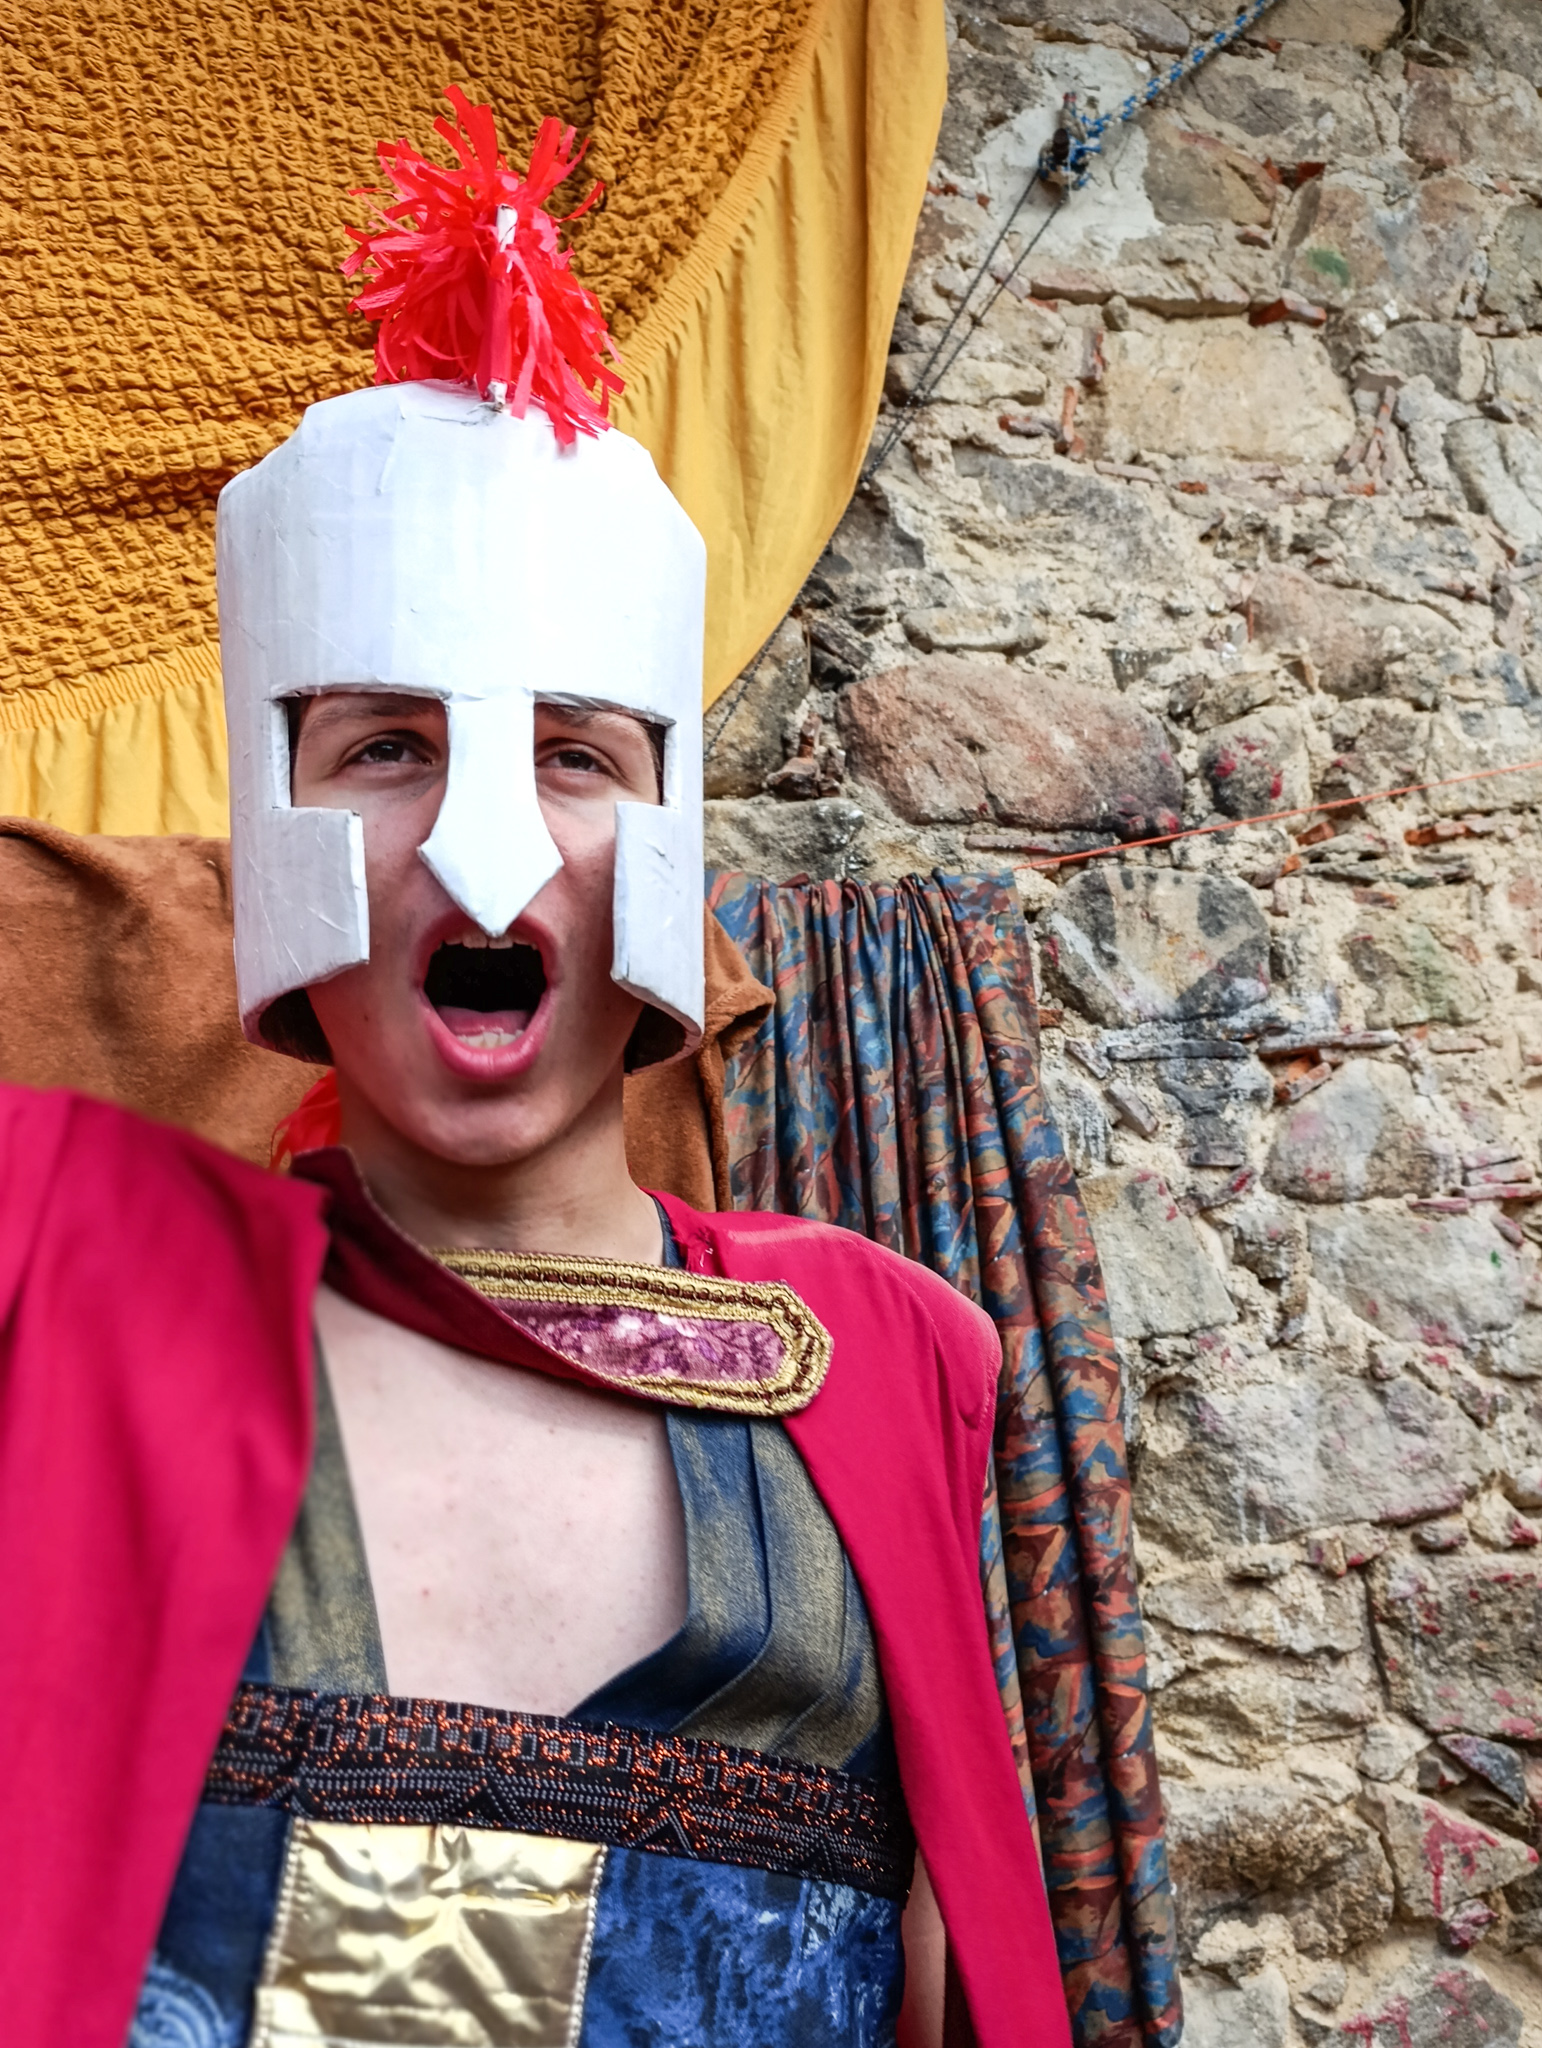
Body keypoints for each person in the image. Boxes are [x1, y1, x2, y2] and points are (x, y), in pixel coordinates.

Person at [0, 95, 1067, 2048]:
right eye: (382, 748)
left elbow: (940, 1983)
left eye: (575, 756)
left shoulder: (887, 1358)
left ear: (664, 834)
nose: (481, 856)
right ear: (271, 835)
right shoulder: (67, 1278)